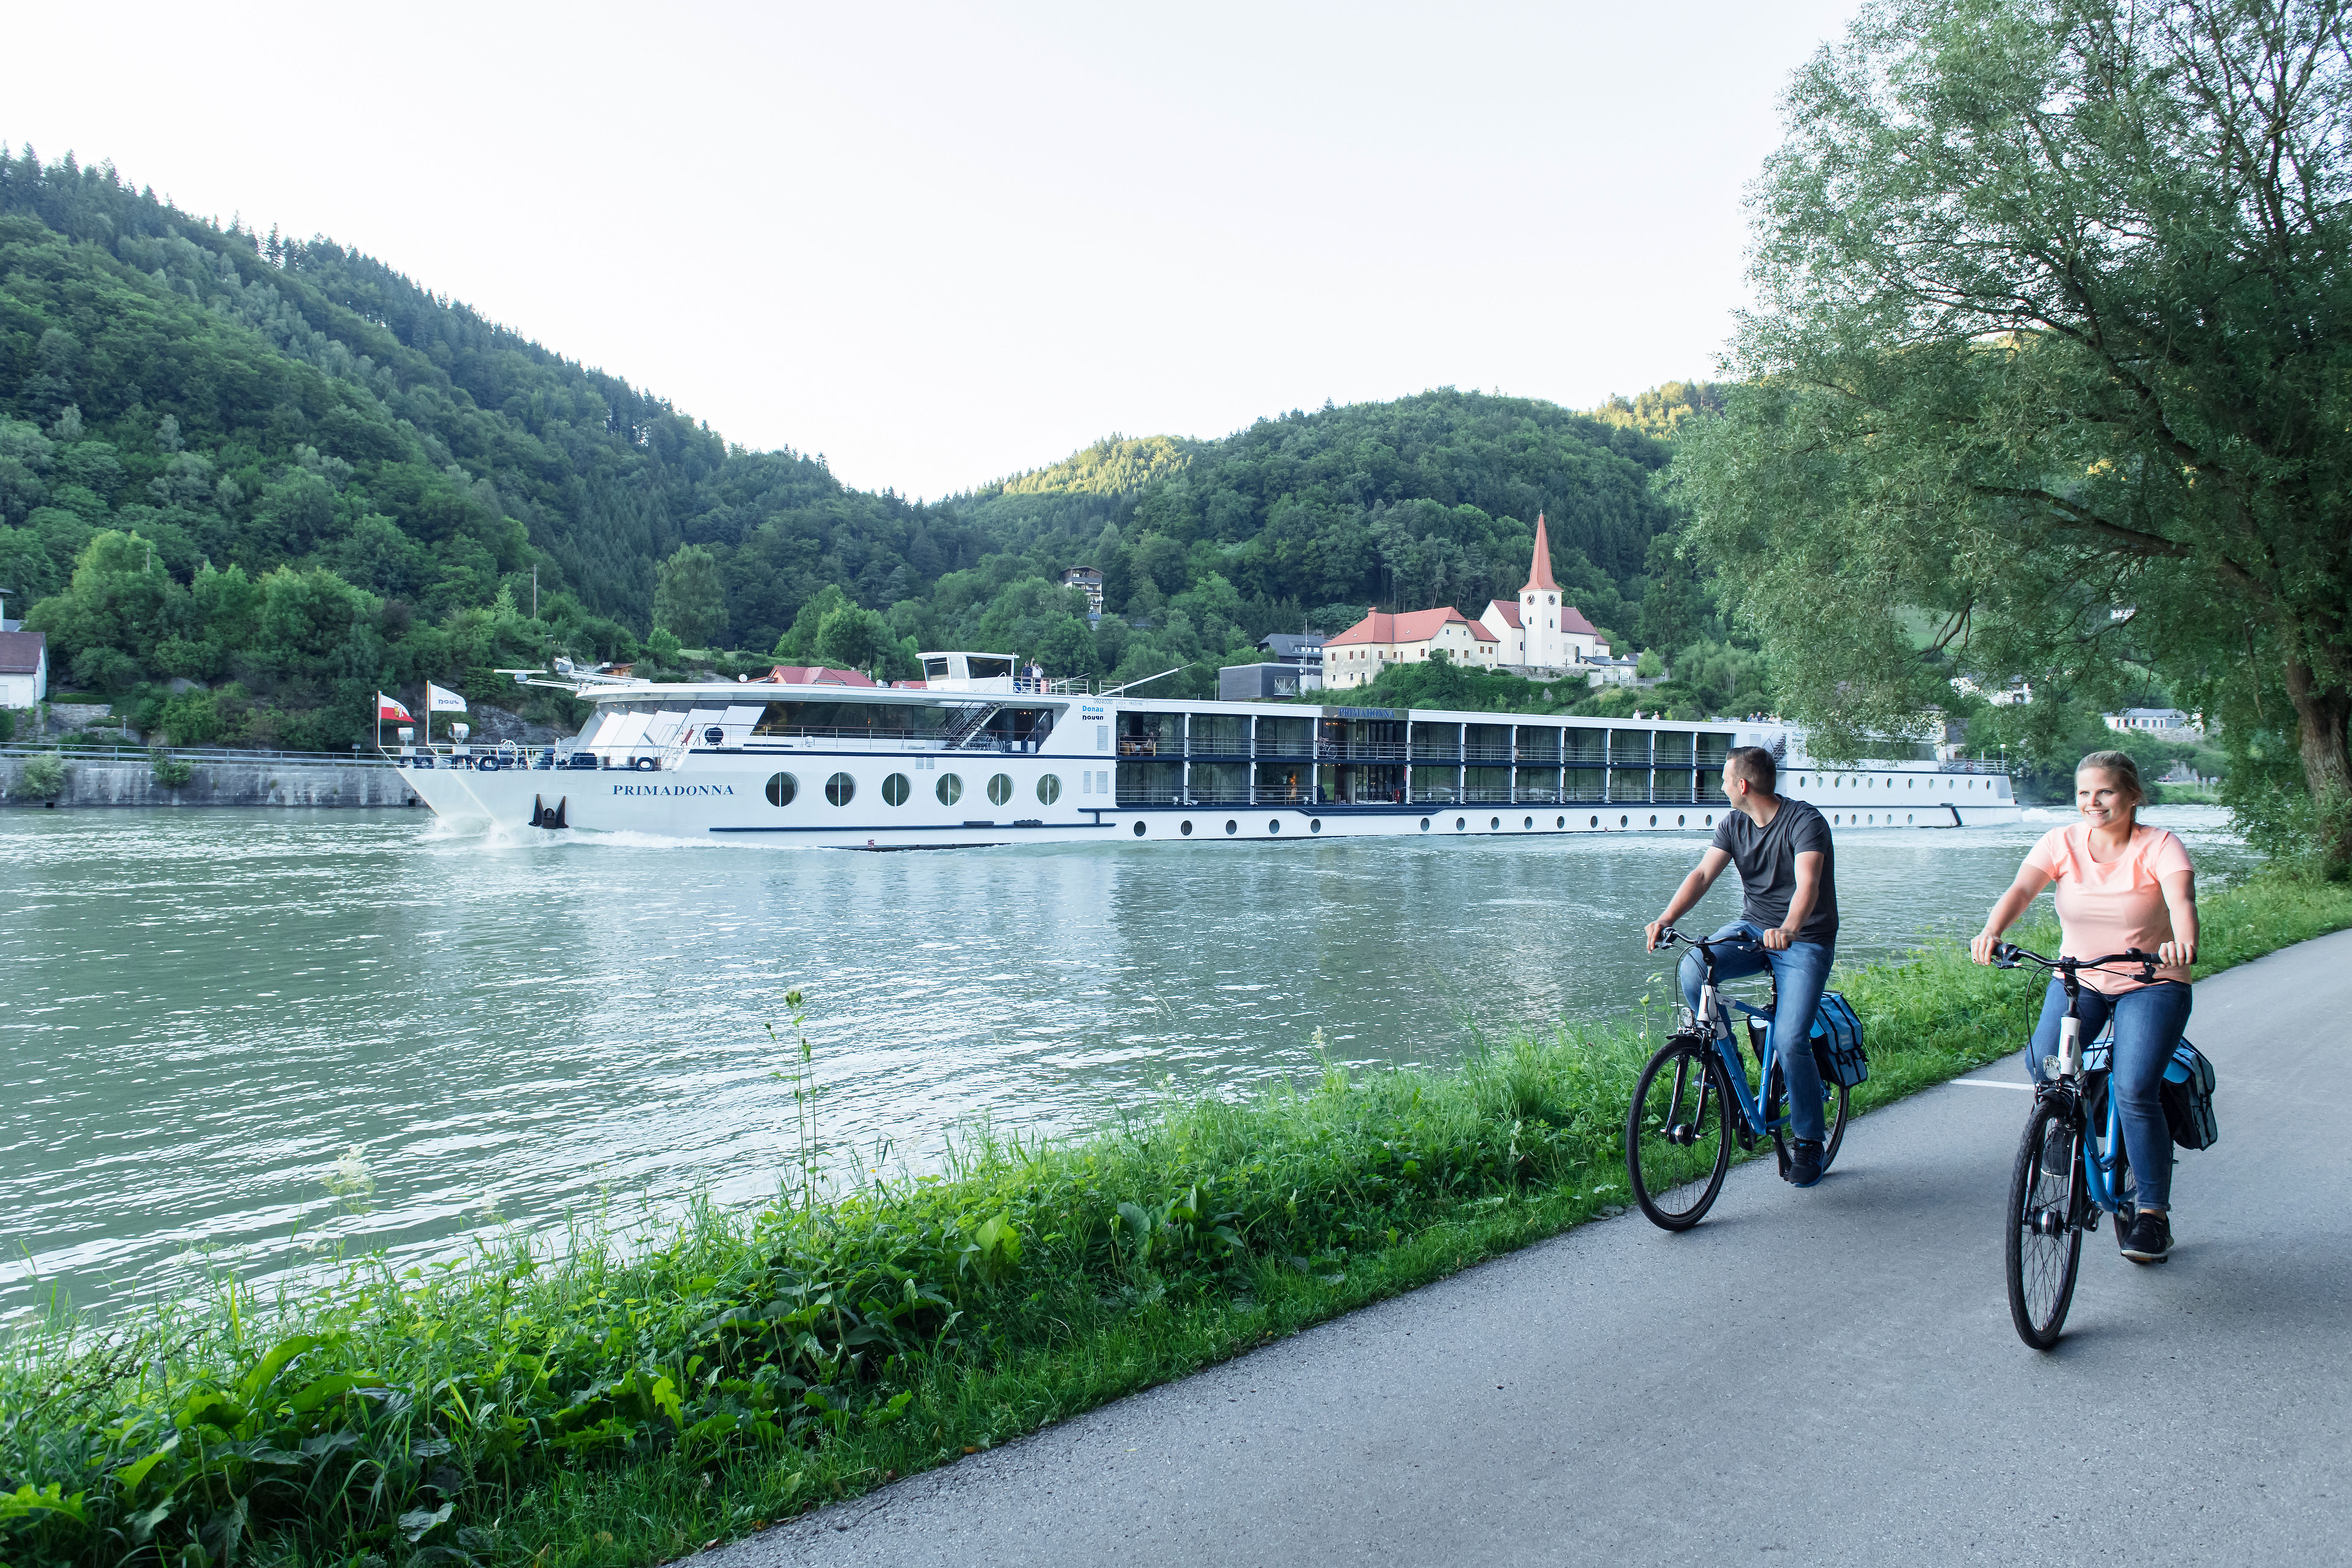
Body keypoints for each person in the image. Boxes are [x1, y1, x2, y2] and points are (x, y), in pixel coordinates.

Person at [1970, 750, 2197, 1263]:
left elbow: (2182, 901)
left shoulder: (2160, 846)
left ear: (2133, 795)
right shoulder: (2061, 842)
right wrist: (1992, 930)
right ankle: (2067, 1118)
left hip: (2150, 981)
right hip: (2081, 979)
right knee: (2043, 1062)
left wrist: (2183, 941)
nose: (2092, 803)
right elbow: (2022, 889)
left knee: (2136, 1089)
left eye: (2106, 792)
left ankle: (2152, 1216)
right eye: (2084, 793)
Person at [1644, 745, 1840, 1187]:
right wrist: (1666, 918)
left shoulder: (1805, 822)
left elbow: (1808, 884)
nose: (1720, 786)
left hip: (1804, 940)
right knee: (1695, 966)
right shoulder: (1734, 824)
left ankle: (1809, 1139)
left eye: (1724, 778)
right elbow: (1701, 876)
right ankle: (1726, 1071)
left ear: (1743, 785)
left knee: (1791, 1040)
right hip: (1754, 930)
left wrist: (1789, 927)